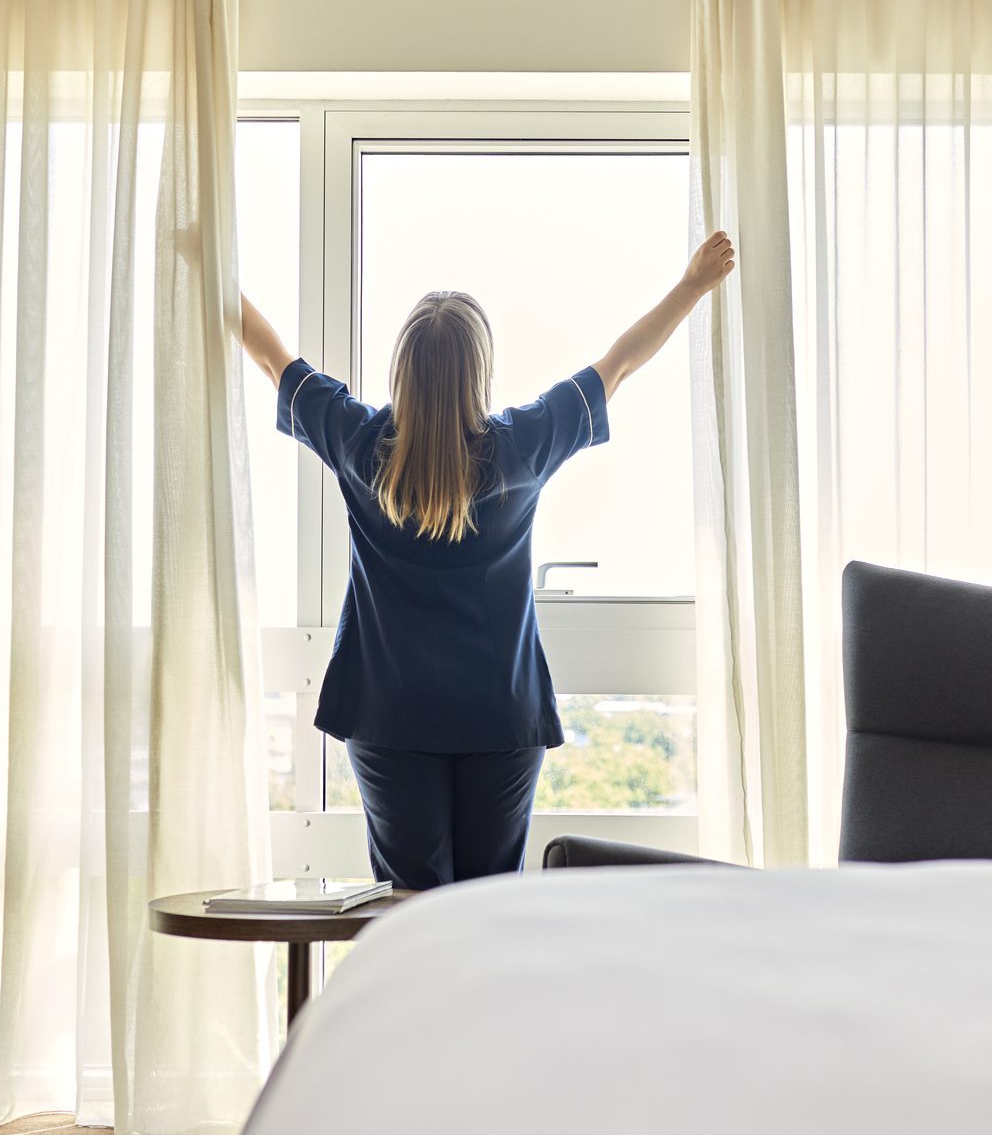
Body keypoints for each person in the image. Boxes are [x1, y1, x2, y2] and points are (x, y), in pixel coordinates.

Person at [235, 231, 736, 890]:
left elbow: (271, 357)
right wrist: (692, 287)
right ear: (480, 372)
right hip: (500, 718)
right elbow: (617, 365)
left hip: (387, 716)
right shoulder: (521, 446)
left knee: (411, 908)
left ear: (402, 370)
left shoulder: (360, 442)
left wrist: (208, 263)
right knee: (487, 905)